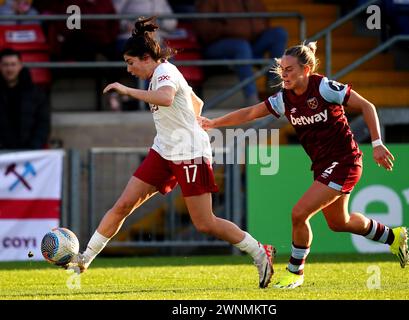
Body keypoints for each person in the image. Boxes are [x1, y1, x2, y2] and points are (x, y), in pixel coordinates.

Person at [65, 17, 275, 289]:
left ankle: (260, 252)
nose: (129, 70)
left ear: (146, 57)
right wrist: (192, 120)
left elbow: (165, 98)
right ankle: (85, 259)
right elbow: (196, 101)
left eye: (131, 63)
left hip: (188, 152)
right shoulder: (163, 74)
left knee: (205, 223)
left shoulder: (164, 73)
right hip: (164, 149)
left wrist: (126, 90)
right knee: (123, 205)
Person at [198, 42, 409, 289]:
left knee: (299, 213)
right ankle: (393, 236)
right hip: (323, 165)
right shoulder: (284, 99)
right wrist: (214, 123)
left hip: (345, 161)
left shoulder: (323, 87)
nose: (283, 75)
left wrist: (377, 143)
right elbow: (250, 113)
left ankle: (295, 272)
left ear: (306, 69)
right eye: (281, 69)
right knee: (339, 222)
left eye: (289, 69)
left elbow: (367, 106)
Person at [193, 0, 288, 105]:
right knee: (241, 46)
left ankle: (274, 81)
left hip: (249, 45)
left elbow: (264, 22)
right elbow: (203, 28)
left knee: (279, 33)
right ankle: (251, 98)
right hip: (218, 46)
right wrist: (231, 30)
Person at [0, 48, 50, 150]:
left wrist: (33, 148)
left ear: (20, 66)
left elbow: (43, 123)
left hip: (28, 154)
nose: (9, 69)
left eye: (13, 64)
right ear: (0, 66)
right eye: (5, 65)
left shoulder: (36, 93)